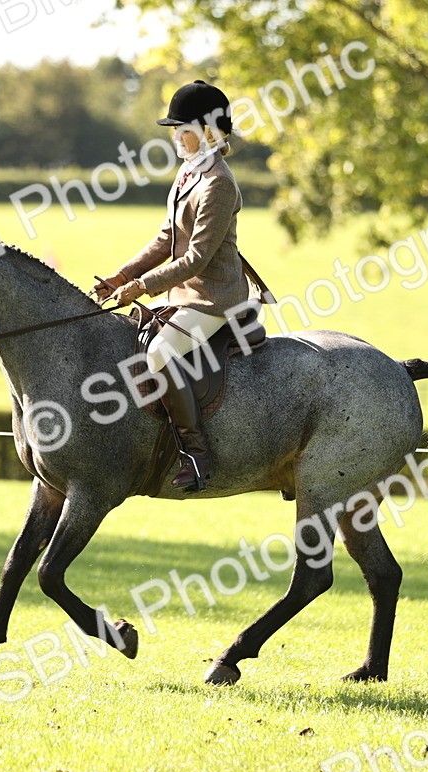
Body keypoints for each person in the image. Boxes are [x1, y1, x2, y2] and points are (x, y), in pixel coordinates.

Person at [94, 79, 251, 493]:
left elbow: (195, 259)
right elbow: (166, 238)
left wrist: (142, 286)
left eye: (182, 128)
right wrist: (122, 276)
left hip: (213, 298)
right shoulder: (188, 173)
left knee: (160, 354)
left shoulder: (218, 182)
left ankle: (198, 455)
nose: (176, 136)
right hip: (183, 293)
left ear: (206, 130)